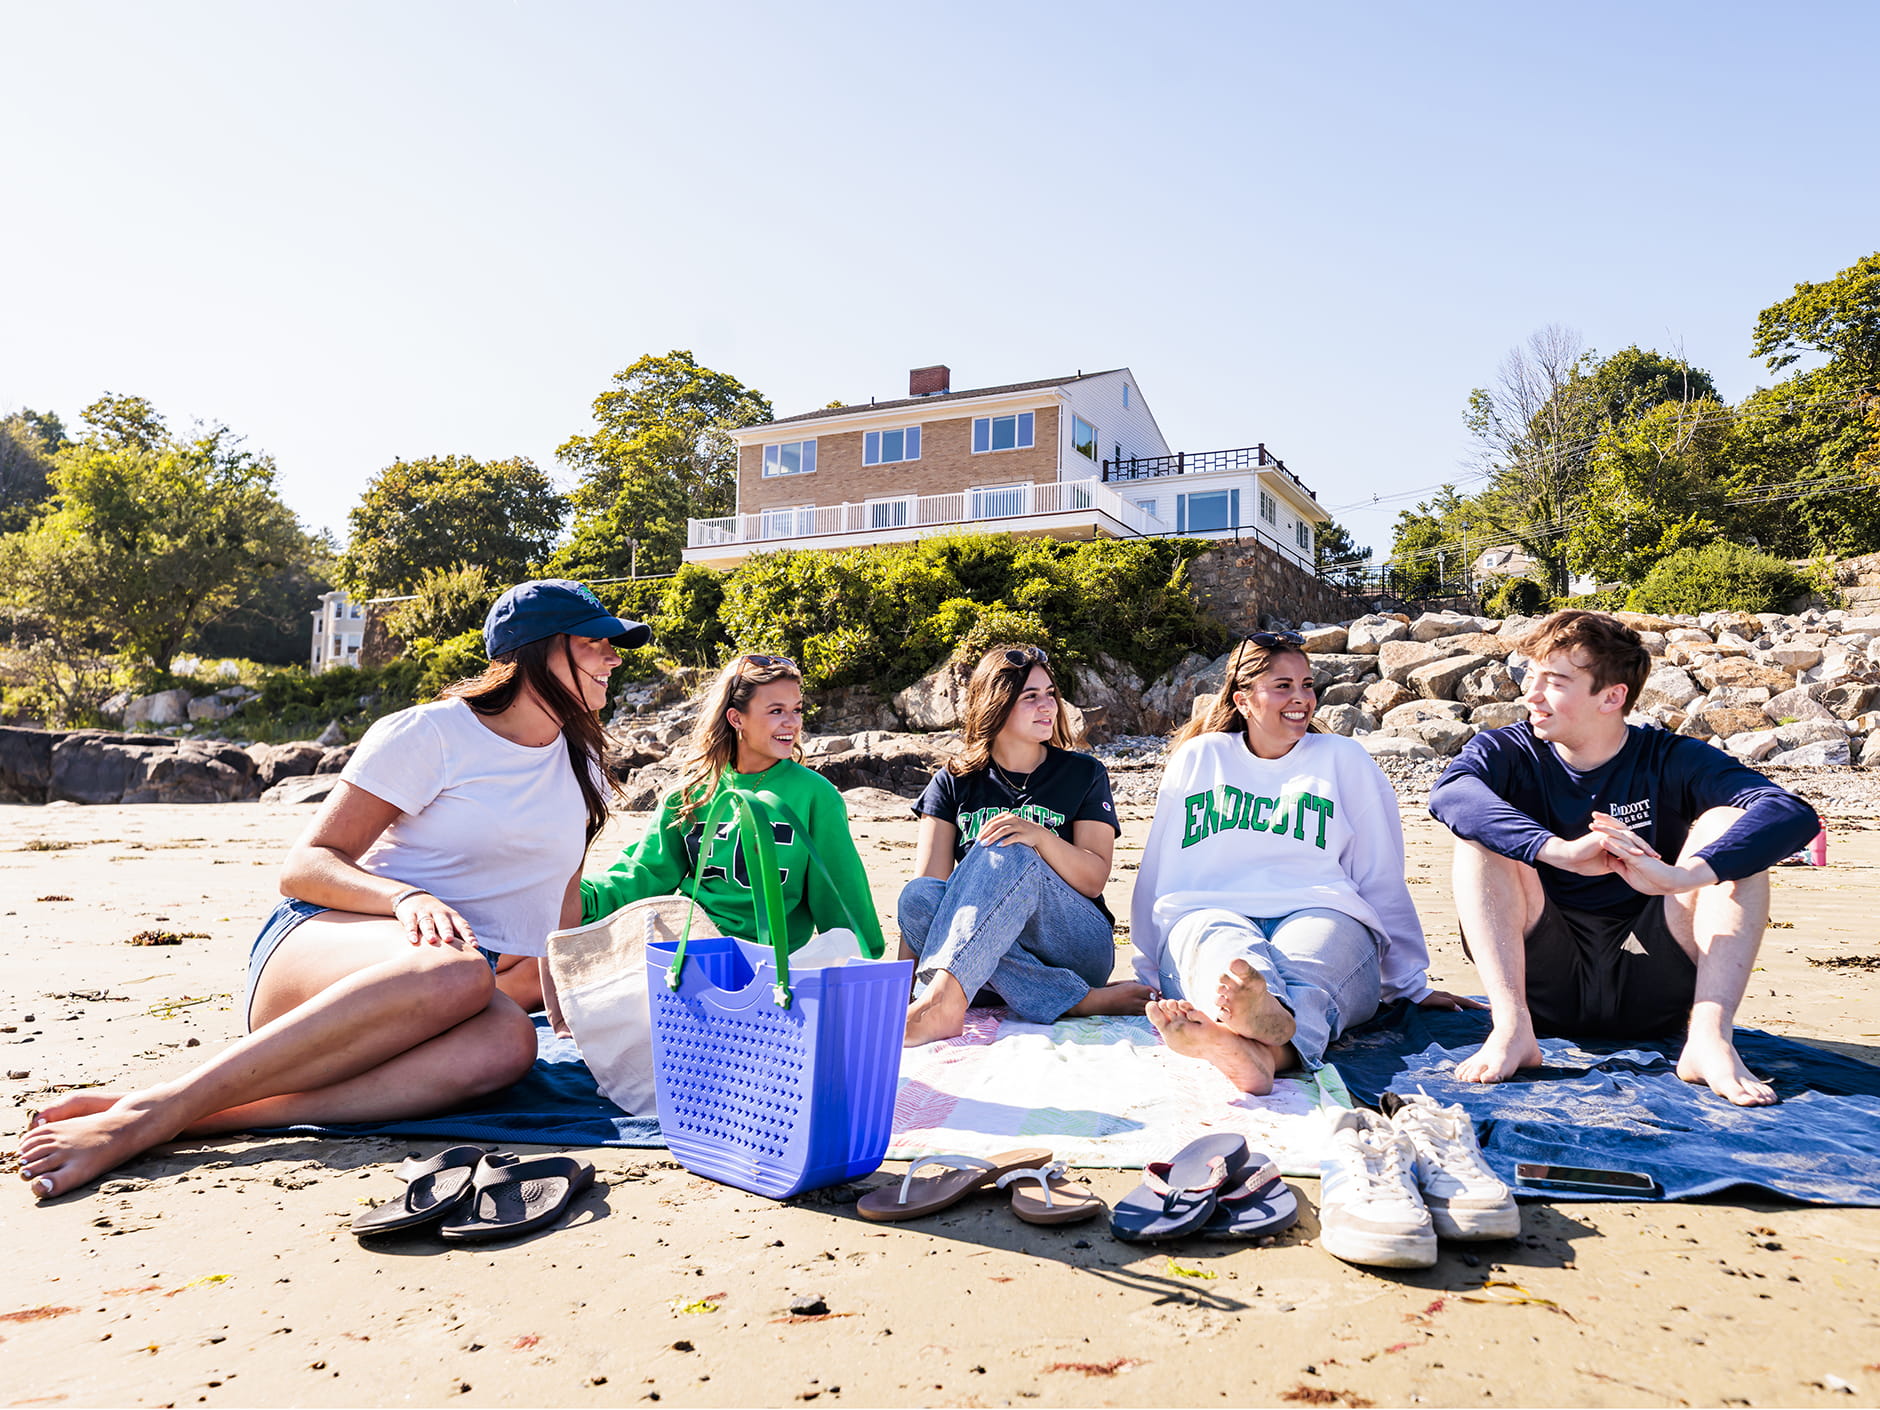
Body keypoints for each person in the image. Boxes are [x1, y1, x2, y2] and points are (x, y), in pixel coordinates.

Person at [17, 579, 649, 1200]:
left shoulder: (579, 759)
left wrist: (563, 985)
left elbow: (564, 884)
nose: (615, 658)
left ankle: (203, 1116)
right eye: (599, 644)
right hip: (327, 951)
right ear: (543, 649)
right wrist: (405, 897)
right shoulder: (431, 734)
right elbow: (307, 864)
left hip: (445, 982)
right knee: (458, 974)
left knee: (509, 1043)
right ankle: (154, 1110)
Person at [1427, 609, 1820, 1106]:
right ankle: (1512, 1029)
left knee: (1727, 827)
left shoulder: (1669, 757)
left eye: (1556, 682)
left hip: (1651, 972)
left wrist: (1680, 876)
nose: (1532, 695)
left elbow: (1789, 813)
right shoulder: (1509, 750)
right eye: (1532, 678)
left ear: (1612, 697)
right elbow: (1450, 793)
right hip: (1547, 978)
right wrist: (1559, 852)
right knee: (1477, 835)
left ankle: (1709, 1039)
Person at [1132, 631, 1476, 1094]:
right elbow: (1159, 869)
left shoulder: (1343, 759)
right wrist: (1147, 969)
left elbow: (1379, 872)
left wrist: (1408, 984)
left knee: (1308, 971)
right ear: (1243, 699)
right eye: (1282, 686)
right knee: (1227, 952)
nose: (1301, 699)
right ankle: (1268, 1046)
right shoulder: (1200, 758)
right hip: (1207, 909)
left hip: (1321, 909)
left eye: (1308, 685)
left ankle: (1256, 1046)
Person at [571, 652, 884, 997]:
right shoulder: (691, 792)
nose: (792, 723)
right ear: (737, 718)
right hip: (696, 953)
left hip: (774, 965)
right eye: (776, 711)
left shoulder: (816, 796)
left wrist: (866, 960)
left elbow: (839, 892)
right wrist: (579, 897)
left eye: (797, 710)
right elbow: (645, 872)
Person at [898, 645, 1153, 1046]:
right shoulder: (953, 780)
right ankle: (1073, 1001)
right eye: (1030, 696)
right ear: (995, 703)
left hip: (1072, 943)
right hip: (982, 960)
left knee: (1008, 846)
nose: (1047, 706)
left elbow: (1093, 880)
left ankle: (944, 1004)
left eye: (1050, 693)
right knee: (916, 896)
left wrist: (1038, 837)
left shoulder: (1083, 773)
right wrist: (899, 997)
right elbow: (927, 902)